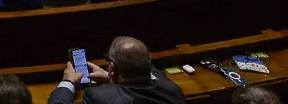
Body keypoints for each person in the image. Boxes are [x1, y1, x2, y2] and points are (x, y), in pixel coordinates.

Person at [49, 37, 186, 104]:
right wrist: (111, 79)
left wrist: (68, 82)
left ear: (112, 67)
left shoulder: (99, 97)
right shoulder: (173, 91)